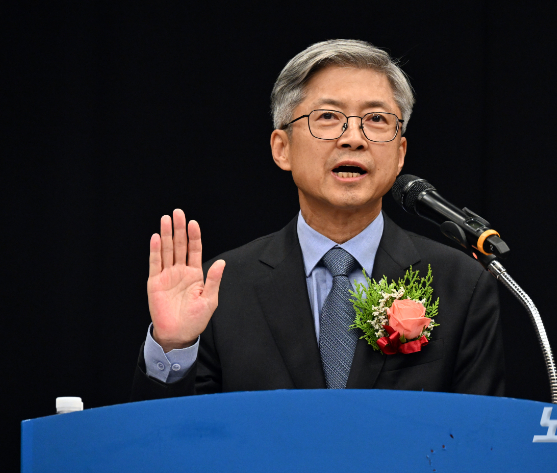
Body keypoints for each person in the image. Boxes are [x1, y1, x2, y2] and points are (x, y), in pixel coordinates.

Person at [131, 39, 504, 401]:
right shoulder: (220, 290)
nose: (353, 138)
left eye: (376, 119)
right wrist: (173, 346)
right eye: (328, 117)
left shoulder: (460, 285)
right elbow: (169, 437)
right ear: (282, 148)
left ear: (400, 153)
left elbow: (481, 434)